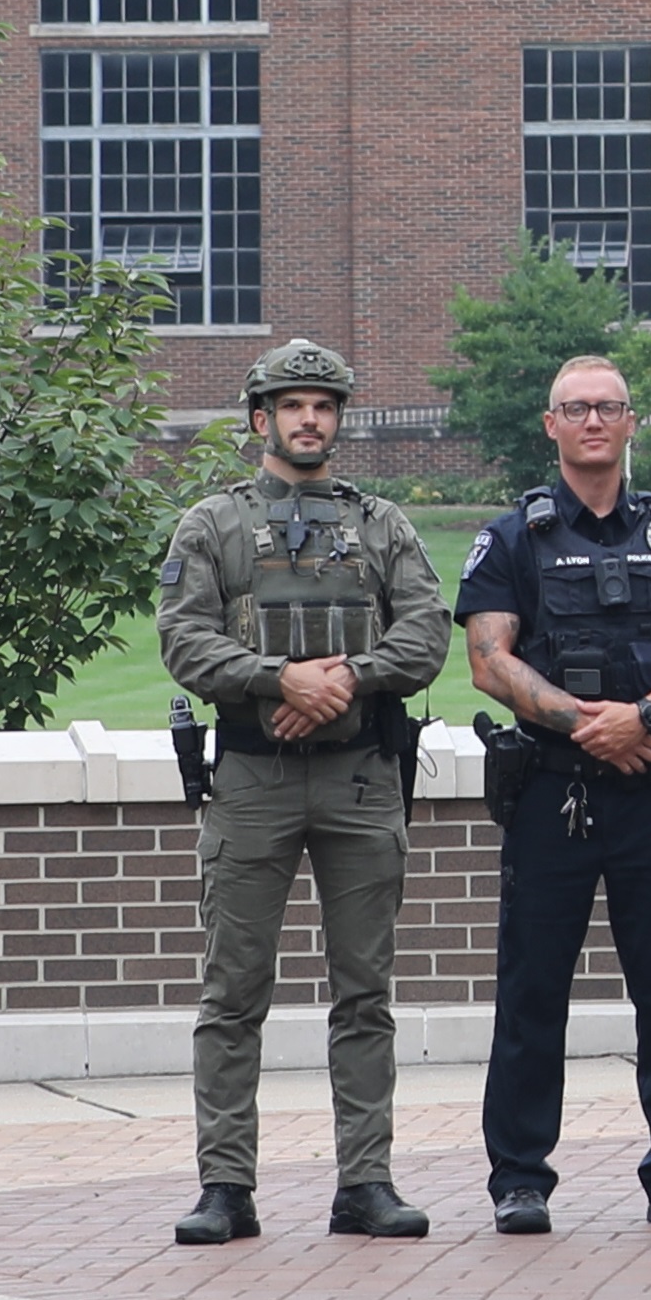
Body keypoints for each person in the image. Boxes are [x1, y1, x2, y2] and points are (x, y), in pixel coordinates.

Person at [155, 340, 451, 1246]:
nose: (309, 418)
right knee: (232, 993)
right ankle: (225, 1187)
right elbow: (184, 638)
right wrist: (278, 679)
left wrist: (346, 677)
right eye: (292, 405)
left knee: (364, 993)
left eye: (323, 405)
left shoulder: (382, 524)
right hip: (252, 779)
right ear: (262, 418)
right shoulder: (212, 524)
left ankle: (366, 1182)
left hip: (360, 777)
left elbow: (427, 633)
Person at [459, 354, 651, 1234]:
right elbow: (489, 659)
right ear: (551, 425)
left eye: (607, 407)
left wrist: (643, 716)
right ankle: (520, 1178)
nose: (591, 421)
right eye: (575, 408)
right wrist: (592, 725)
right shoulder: (514, 537)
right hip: (554, 790)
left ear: (628, 422)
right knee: (531, 991)